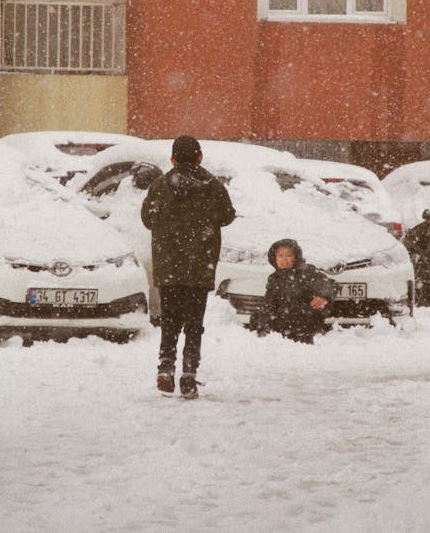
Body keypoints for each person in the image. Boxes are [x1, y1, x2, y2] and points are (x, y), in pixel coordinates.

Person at [141, 135, 236, 398]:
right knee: (194, 324)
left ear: (172, 159)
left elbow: (148, 219)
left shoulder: (160, 185)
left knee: (169, 322)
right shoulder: (212, 185)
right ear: (200, 157)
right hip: (199, 267)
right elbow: (227, 215)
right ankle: (189, 375)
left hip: (169, 266)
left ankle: (165, 368)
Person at [257, 238, 335, 344]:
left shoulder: (307, 272)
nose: (284, 259)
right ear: (274, 259)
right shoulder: (274, 279)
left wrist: (323, 297)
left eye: (289, 255)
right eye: (280, 256)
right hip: (283, 328)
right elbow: (268, 305)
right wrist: (263, 327)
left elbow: (330, 285)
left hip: (307, 326)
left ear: (296, 257)